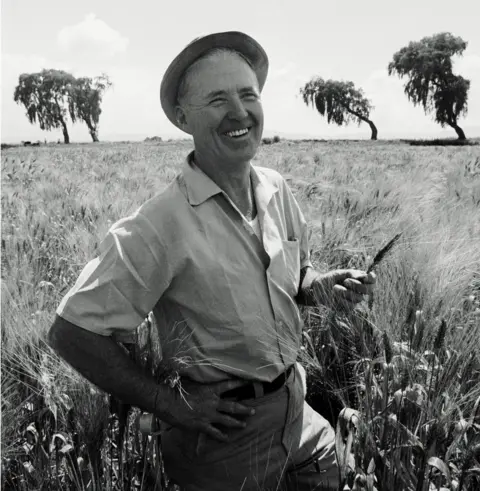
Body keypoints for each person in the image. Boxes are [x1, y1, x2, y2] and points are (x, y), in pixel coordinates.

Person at [48, 31, 376, 491]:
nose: (239, 112)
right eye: (218, 99)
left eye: (248, 95)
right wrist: (171, 404)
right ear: (184, 118)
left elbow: (294, 279)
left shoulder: (276, 188)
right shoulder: (159, 224)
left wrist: (322, 284)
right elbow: (70, 332)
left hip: (299, 411)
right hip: (226, 444)